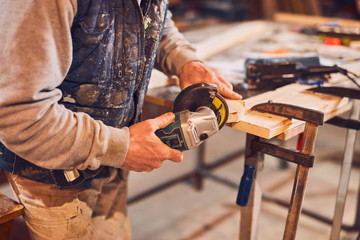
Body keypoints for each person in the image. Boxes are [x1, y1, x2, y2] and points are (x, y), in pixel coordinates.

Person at [0, 0, 242, 239]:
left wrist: (186, 60)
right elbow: (20, 114)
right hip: (54, 171)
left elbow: (153, 21)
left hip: (114, 158)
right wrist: (119, 146)